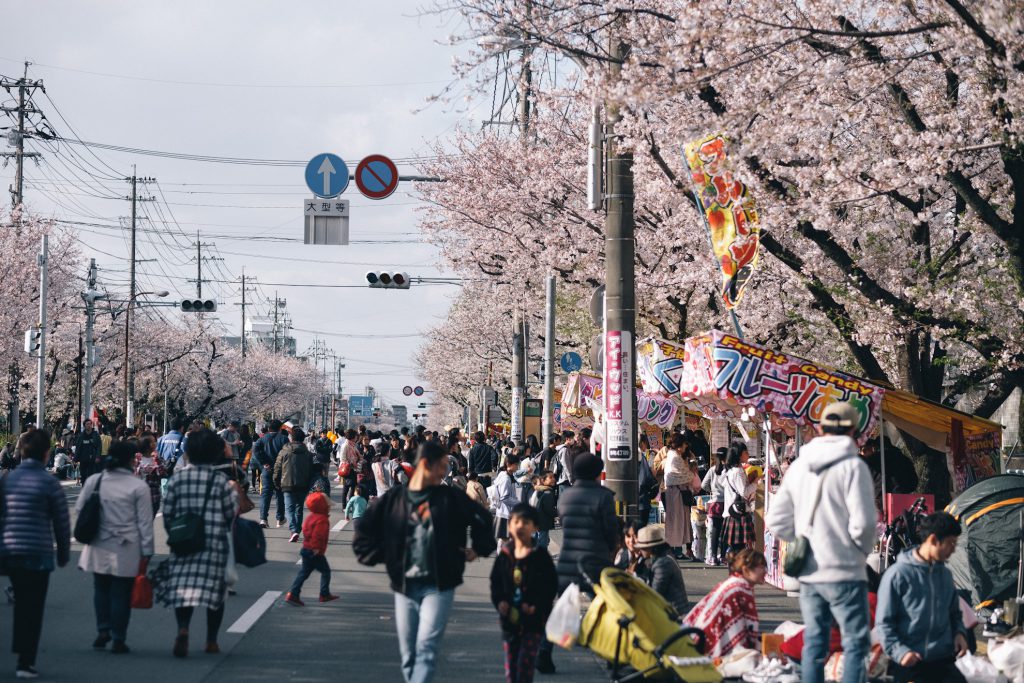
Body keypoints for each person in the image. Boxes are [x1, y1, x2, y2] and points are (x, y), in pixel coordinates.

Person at [353, 441, 497, 683]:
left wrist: (478, 549)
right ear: (423, 465)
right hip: (404, 583)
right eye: (440, 466)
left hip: (440, 584)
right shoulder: (396, 498)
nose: (444, 472)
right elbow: (365, 530)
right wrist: (383, 554)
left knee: (426, 648)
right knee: (409, 653)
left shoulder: (451, 497)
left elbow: (482, 518)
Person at [765, 401, 877, 683]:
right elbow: (864, 524)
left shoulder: (800, 466)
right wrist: (857, 553)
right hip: (845, 571)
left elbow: (776, 519)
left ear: (820, 428)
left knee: (815, 642)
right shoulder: (854, 466)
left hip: (810, 572)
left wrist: (802, 537)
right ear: (854, 430)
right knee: (854, 644)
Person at [149, 428, 238, 658]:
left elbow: (168, 514)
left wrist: (176, 535)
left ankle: (183, 628)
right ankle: (211, 640)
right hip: (213, 544)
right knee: (215, 594)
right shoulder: (221, 481)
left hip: (184, 542)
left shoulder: (178, 480)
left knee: (183, 589)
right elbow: (230, 513)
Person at [538, 452, 620, 675]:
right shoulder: (603, 497)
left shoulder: (566, 496)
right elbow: (611, 530)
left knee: (561, 609)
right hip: (595, 562)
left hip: (568, 561)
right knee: (608, 608)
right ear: (596, 472)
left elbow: (564, 521)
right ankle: (613, 656)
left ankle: (544, 651)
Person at [0, 428, 71, 678]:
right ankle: (24, 661)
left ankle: (19, 653)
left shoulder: (8, 479)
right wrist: (63, 553)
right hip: (38, 553)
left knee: (20, 605)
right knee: (33, 607)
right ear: (45, 453)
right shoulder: (49, 482)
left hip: (11, 551)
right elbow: (61, 522)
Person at [78, 439, 155, 654]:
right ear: (132, 460)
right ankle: (119, 637)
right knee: (121, 593)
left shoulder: (95, 481)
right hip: (126, 546)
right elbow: (145, 524)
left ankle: (103, 629)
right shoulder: (138, 486)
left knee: (101, 589)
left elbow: (80, 507)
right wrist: (147, 550)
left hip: (98, 543)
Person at [877, 512, 968, 683]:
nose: (954, 549)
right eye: (951, 543)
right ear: (933, 540)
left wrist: (959, 633)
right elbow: (884, 624)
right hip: (910, 661)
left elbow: (955, 613)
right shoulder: (897, 575)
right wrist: (901, 652)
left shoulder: (946, 575)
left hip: (942, 660)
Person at [490, 503, 558, 683]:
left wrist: (536, 605)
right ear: (510, 525)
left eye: (526, 522)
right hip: (509, 622)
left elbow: (550, 586)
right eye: (516, 522)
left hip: (533, 621)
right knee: (511, 669)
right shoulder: (504, 555)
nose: (520, 526)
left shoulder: (540, 556)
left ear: (535, 527)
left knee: (525, 667)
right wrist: (500, 601)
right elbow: (496, 583)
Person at [683, 549, 766, 658]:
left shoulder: (734, 583)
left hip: (693, 639)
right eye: (761, 567)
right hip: (708, 649)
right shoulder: (741, 589)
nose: (765, 571)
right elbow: (741, 634)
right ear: (746, 570)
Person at [285, 492, 338, 605]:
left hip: (306, 548)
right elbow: (318, 535)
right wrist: (316, 549)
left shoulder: (310, 517)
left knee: (304, 573)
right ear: (323, 507)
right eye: (327, 506)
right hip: (315, 551)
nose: (329, 508)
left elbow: (306, 530)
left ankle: (293, 593)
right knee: (325, 571)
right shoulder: (322, 519)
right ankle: (324, 594)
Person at [633, 524, 689, 614]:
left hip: (674, 613)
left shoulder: (663, 564)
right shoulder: (661, 558)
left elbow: (655, 593)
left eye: (643, 548)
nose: (640, 551)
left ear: (651, 548)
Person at [663, 433, 699, 560]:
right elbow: (685, 475)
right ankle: (676, 550)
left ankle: (675, 550)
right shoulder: (675, 458)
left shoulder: (673, 455)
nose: (685, 447)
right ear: (679, 446)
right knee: (677, 521)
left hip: (674, 492)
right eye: (684, 444)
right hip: (676, 493)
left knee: (675, 521)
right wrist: (691, 473)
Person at [274, 427, 314, 543]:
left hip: (287, 483)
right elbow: (311, 469)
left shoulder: (284, 451)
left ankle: (293, 530)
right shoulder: (307, 453)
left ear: (291, 438)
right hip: (303, 484)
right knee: (299, 508)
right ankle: (297, 529)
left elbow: (277, 468)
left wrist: (276, 482)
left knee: (289, 508)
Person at [252, 420, 288, 529]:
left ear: (268, 429)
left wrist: (263, 463)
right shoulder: (284, 439)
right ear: (280, 428)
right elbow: (287, 454)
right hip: (280, 470)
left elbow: (255, 450)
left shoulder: (262, 439)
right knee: (280, 494)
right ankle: (280, 518)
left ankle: (263, 519)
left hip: (267, 470)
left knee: (265, 495)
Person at [721, 441, 755, 555]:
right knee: (738, 549)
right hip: (738, 513)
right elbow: (744, 492)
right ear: (739, 455)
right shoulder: (737, 471)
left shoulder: (730, 470)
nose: (748, 454)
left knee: (736, 548)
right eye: (745, 452)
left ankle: (735, 569)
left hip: (732, 512)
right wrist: (756, 482)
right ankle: (737, 570)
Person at [701, 447, 729, 566]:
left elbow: (703, 485)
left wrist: (712, 491)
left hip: (715, 503)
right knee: (725, 532)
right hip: (727, 503)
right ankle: (723, 556)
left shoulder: (712, 469)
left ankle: (712, 557)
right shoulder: (729, 470)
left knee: (715, 532)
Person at [134, 434, 166, 517]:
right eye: (152, 442)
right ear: (146, 445)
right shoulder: (137, 458)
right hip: (139, 496)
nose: (155, 443)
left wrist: (157, 464)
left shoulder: (157, 457)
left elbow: (163, 472)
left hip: (153, 496)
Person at [492, 455, 520, 541]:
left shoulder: (503, 474)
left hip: (503, 511)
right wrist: (518, 503)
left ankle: (502, 554)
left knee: (504, 539)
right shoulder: (506, 478)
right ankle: (502, 554)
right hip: (505, 513)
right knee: (505, 539)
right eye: (516, 464)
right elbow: (504, 498)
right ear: (508, 464)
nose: (517, 466)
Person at [529, 471, 556, 550]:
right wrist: (557, 513)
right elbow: (549, 509)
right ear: (543, 481)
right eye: (550, 477)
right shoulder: (548, 493)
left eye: (553, 477)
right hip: (543, 522)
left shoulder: (540, 491)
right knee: (543, 542)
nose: (553, 479)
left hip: (537, 521)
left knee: (538, 540)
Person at [75, 418, 103, 484]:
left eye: (90, 424)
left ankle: (91, 489)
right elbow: (78, 447)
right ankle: (84, 488)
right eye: (87, 424)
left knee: (91, 475)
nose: (89, 425)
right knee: (83, 475)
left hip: (92, 458)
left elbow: (99, 446)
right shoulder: (81, 435)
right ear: (84, 425)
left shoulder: (95, 435)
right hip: (83, 458)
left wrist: (98, 456)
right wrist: (76, 458)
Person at [338, 428, 361, 506]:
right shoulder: (346, 445)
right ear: (352, 436)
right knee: (346, 489)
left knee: (352, 487)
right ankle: (344, 506)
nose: (356, 438)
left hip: (353, 469)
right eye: (355, 436)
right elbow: (342, 458)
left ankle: (349, 505)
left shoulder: (352, 445)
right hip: (347, 469)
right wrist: (351, 463)